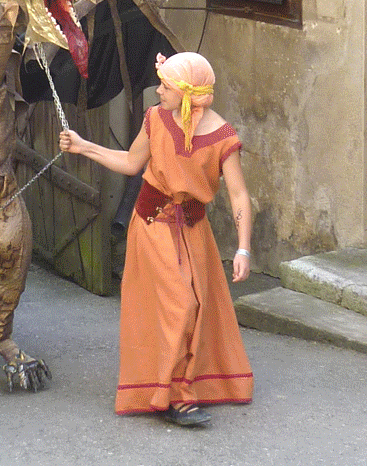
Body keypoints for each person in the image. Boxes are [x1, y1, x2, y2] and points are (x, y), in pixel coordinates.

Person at [59, 51, 254, 427]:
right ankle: (173, 396)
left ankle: (180, 384)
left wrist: (243, 247)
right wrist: (84, 146)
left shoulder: (223, 136)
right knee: (180, 303)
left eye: (165, 85)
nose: (159, 90)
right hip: (152, 223)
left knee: (196, 305)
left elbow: (239, 195)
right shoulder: (155, 119)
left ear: (187, 92)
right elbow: (132, 164)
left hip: (193, 229)